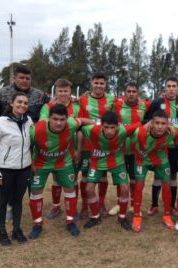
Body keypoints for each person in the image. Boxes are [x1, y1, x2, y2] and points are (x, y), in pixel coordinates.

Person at [0, 65, 49, 222]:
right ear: (14, 78)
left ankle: (34, 203)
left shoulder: (40, 95)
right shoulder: (2, 93)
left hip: (32, 143)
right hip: (9, 144)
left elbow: (52, 108)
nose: (25, 81)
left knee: (32, 176)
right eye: (21, 77)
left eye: (27, 78)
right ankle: (10, 206)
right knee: (10, 178)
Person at [28, 104, 91, 239]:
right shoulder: (36, 129)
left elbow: (84, 120)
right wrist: (31, 162)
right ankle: (37, 224)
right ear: (49, 118)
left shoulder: (71, 124)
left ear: (66, 119)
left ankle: (70, 221)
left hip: (64, 162)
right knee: (36, 192)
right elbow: (27, 145)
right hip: (41, 163)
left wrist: (99, 124)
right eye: (55, 119)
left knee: (70, 189)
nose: (59, 123)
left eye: (62, 119)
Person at [0, 92, 33, 246]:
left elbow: (31, 144)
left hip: (24, 169)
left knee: (18, 201)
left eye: (25, 103)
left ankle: (17, 229)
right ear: (11, 103)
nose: (22, 105)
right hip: (5, 169)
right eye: (19, 102)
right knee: (3, 201)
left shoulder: (28, 121)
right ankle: (2, 231)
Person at [80, 111, 140, 231]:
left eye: (112, 127)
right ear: (101, 125)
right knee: (89, 188)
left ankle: (122, 217)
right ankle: (95, 217)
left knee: (125, 188)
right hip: (97, 161)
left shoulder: (123, 130)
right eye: (106, 127)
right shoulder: (92, 129)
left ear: (118, 126)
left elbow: (139, 124)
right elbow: (77, 124)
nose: (109, 131)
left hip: (117, 162)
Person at [143, 77, 178, 216]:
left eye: (174, 86)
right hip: (159, 146)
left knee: (173, 176)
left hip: (175, 146)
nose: (171, 88)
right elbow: (146, 119)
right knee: (158, 176)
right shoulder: (157, 102)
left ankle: (172, 205)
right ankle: (154, 205)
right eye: (168, 86)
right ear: (165, 88)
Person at [39, 79, 81, 220]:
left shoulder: (76, 106)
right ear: (55, 91)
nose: (63, 93)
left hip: (72, 148)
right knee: (56, 179)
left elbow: (80, 127)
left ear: (70, 92)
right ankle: (56, 206)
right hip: (54, 148)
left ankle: (73, 209)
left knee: (73, 179)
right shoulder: (48, 106)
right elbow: (43, 123)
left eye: (66, 91)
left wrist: (79, 149)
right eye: (60, 91)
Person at [130, 110, 176, 232]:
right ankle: (136, 216)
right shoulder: (140, 133)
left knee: (167, 185)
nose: (160, 126)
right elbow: (134, 146)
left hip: (160, 158)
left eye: (163, 123)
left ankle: (166, 215)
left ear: (168, 124)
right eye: (157, 123)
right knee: (139, 186)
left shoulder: (171, 133)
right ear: (151, 123)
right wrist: (140, 152)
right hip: (142, 159)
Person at [109, 82, 150, 216]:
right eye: (129, 91)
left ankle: (133, 204)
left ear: (138, 93)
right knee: (121, 178)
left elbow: (156, 109)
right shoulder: (116, 104)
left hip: (136, 149)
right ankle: (119, 203)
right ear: (125, 92)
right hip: (119, 149)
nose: (131, 94)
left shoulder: (145, 105)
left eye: (134, 91)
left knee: (134, 178)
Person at [77, 73, 115, 218]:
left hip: (103, 145)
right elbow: (79, 120)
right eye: (96, 82)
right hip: (87, 144)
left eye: (102, 83)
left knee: (103, 176)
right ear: (91, 83)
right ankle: (85, 205)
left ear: (105, 85)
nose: (99, 85)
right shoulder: (83, 99)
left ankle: (101, 203)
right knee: (86, 176)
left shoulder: (111, 99)